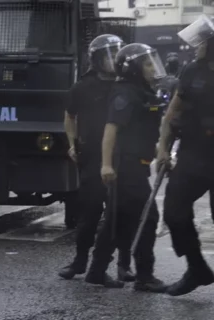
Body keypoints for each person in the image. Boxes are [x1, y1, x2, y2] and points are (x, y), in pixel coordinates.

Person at [58, 34, 135, 284]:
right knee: (89, 212)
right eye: (108, 55)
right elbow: (70, 116)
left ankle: (124, 264)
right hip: (91, 157)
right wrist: (71, 143)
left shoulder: (126, 84)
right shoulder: (82, 87)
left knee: (122, 213)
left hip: (124, 155)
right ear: (97, 59)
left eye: (117, 53)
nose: (114, 59)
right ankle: (80, 262)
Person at [94, 43, 170, 292]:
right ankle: (145, 277)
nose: (152, 67)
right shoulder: (126, 93)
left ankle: (96, 271)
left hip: (137, 164)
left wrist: (161, 151)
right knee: (148, 219)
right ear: (133, 68)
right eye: (147, 63)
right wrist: (106, 165)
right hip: (124, 165)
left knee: (118, 219)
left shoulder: (143, 91)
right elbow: (110, 129)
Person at [156, 15, 214, 296]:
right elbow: (173, 112)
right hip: (193, 154)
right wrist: (163, 148)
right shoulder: (193, 70)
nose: (197, 45)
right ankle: (197, 268)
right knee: (174, 211)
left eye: (203, 41)